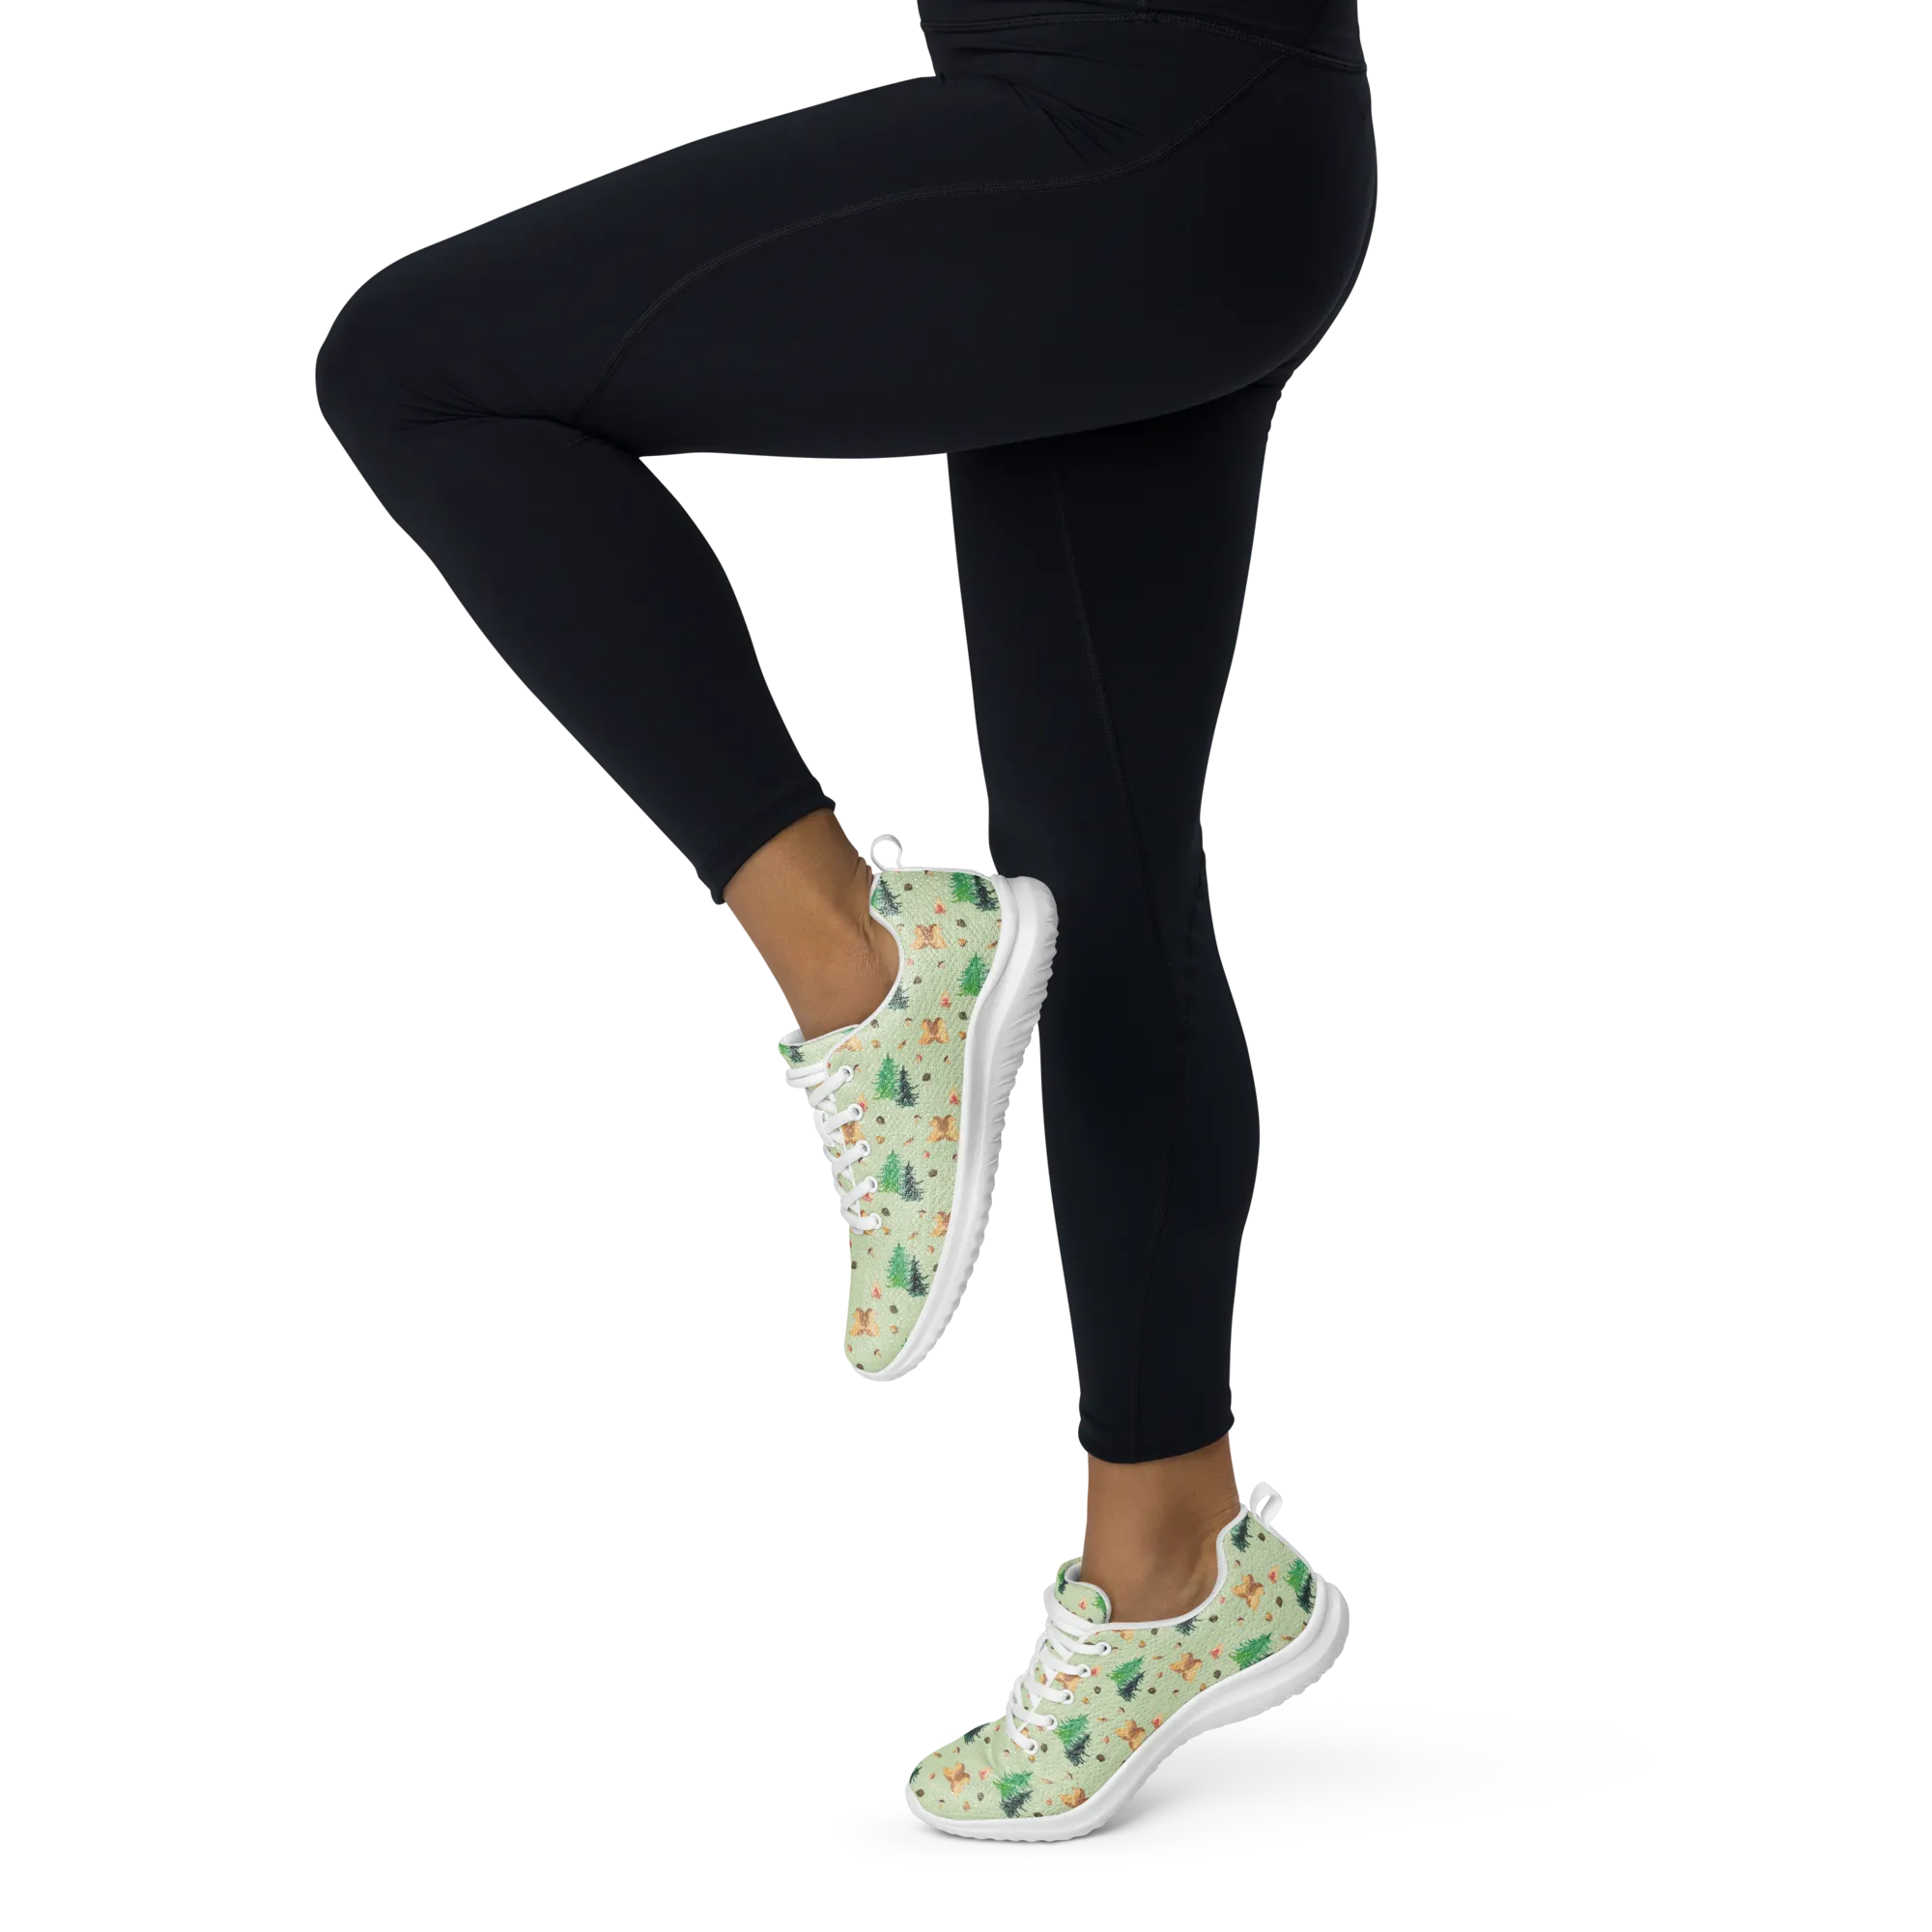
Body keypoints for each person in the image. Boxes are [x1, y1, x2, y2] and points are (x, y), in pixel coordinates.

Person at [309, 0, 1376, 1838]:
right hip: (1189, 144)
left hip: (1129, 133)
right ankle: (1178, 1576)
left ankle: (860, 957)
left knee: (421, 367)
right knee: (1102, 874)